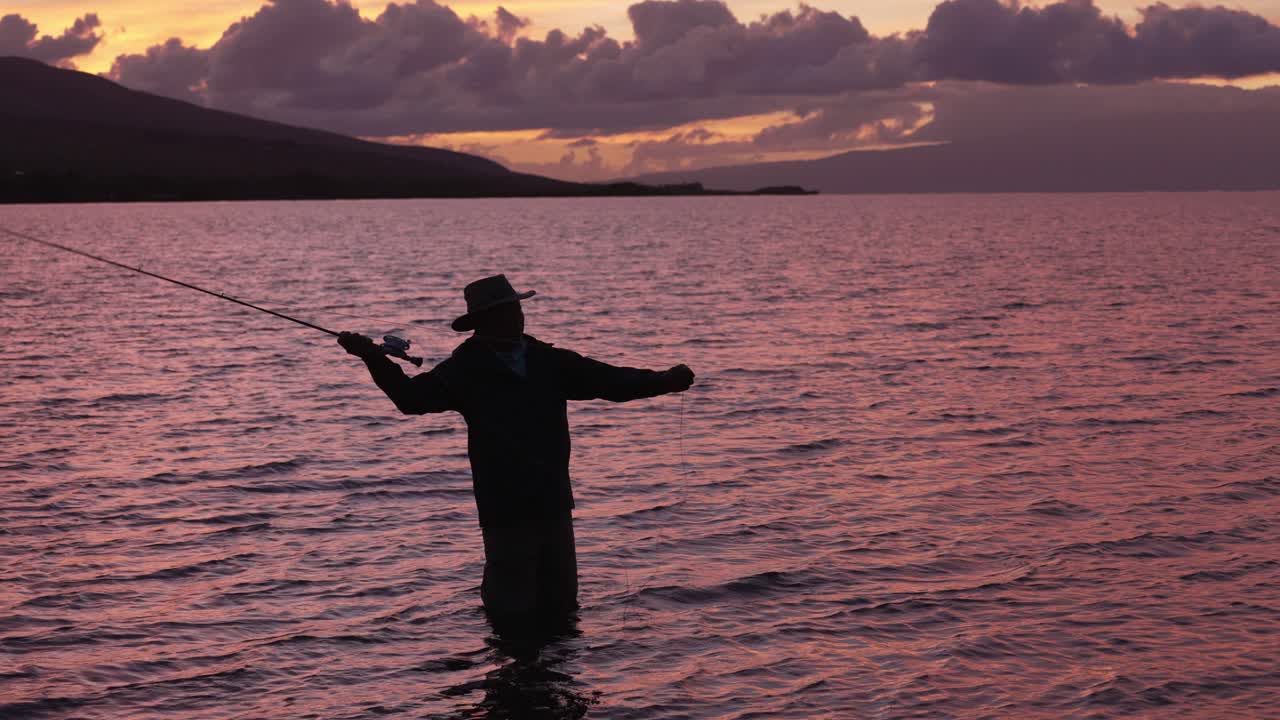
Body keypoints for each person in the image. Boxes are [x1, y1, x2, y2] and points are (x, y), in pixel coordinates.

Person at [338, 274, 694, 636]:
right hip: (504, 507)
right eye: (508, 309)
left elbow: (611, 381)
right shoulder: (464, 370)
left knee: (562, 609)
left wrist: (664, 380)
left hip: (553, 500)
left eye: (517, 307)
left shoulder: (550, 361)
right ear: (484, 321)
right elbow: (410, 399)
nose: (518, 315)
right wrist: (372, 358)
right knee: (511, 614)